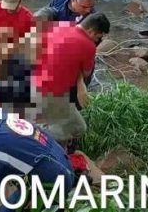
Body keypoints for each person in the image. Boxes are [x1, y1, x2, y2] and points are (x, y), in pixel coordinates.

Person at [31, 12, 110, 144]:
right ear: (91, 31)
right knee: (79, 128)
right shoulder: (88, 46)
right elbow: (86, 73)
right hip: (52, 94)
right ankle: (36, 136)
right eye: (97, 38)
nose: (96, 41)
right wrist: (81, 84)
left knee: (54, 120)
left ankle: (39, 130)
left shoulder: (59, 26)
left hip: (32, 82)